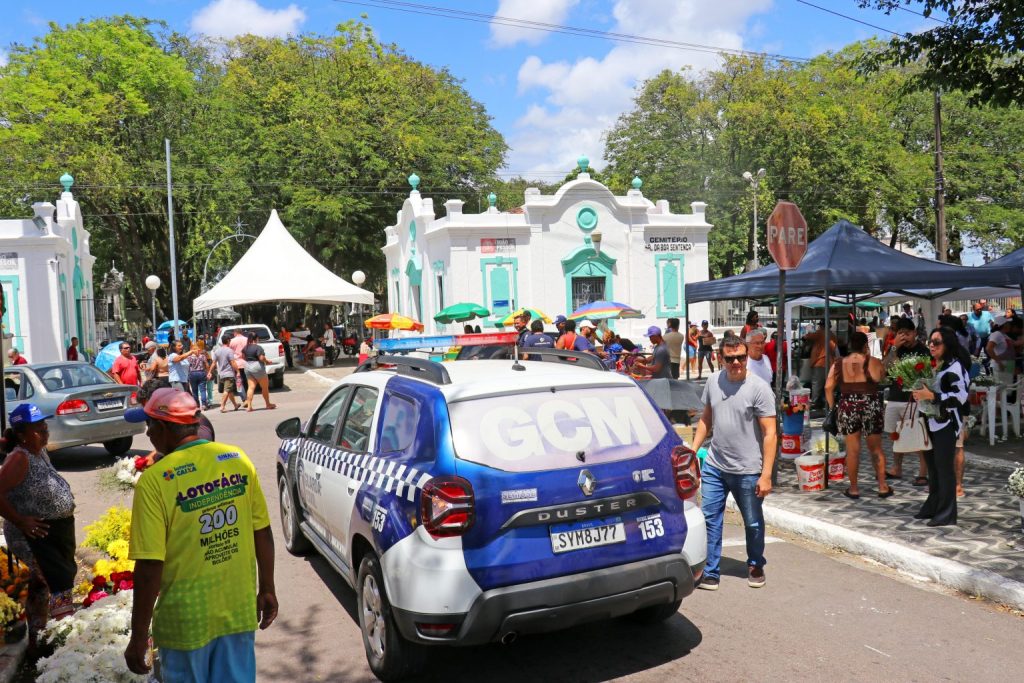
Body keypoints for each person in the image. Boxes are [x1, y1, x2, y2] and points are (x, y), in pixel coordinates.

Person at [123, 389, 277, 680]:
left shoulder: (155, 480)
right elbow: (263, 530)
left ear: (165, 428)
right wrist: (267, 587)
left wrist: (139, 635)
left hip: (185, 622)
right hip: (238, 610)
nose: (148, 433)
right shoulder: (237, 459)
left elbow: (149, 567)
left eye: (150, 426)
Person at [691, 336, 777, 591]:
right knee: (710, 518)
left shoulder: (759, 388)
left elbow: (770, 433)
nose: (736, 362)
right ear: (721, 357)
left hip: (748, 469)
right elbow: (707, 418)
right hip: (715, 465)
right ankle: (710, 571)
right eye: (730, 358)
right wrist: (692, 451)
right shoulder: (713, 381)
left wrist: (767, 475)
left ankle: (755, 563)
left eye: (741, 356)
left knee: (752, 521)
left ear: (746, 355)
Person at [0, 404, 77, 656]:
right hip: (33, 534)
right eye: (37, 428)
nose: (44, 432)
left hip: (53, 532)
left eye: (45, 426)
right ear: (22, 433)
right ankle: (55, 643)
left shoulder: (39, 452)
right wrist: (20, 520)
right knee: (54, 582)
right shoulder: (19, 457)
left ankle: (41, 640)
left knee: (41, 587)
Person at [911, 327, 971, 526]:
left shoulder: (955, 368)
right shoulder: (938, 366)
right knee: (934, 468)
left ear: (948, 345)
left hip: (946, 424)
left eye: (936, 342)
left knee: (944, 469)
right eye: (930, 341)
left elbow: (961, 397)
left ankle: (946, 513)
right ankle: (934, 505)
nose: (931, 345)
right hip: (932, 422)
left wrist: (933, 396)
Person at [826, 331, 893, 499]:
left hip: (848, 405)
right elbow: (881, 378)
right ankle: (883, 486)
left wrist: (833, 406)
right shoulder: (873, 362)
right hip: (870, 405)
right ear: (865, 345)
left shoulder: (838, 363)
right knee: (876, 449)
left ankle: (854, 488)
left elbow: (828, 387)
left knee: (852, 450)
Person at [882, 318, 930, 486]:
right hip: (895, 397)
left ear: (915, 333)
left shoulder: (923, 350)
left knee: (918, 435)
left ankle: (923, 472)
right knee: (895, 434)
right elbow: (885, 369)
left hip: (914, 399)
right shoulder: (896, 349)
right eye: (901, 333)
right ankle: (896, 468)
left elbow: (926, 374)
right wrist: (894, 347)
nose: (904, 337)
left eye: (908, 333)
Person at [805, 324, 837, 410]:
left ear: (821, 326)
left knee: (817, 384)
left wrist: (808, 333)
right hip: (829, 363)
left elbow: (807, 337)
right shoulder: (832, 335)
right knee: (826, 384)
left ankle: (815, 402)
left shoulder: (820, 333)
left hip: (819, 362)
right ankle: (826, 402)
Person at [242, 333, 276, 412]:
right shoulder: (258, 347)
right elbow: (261, 358)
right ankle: (267, 404)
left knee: (251, 387)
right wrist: (267, 361)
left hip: (247, 366)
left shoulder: (245, 347)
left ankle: (249, 406)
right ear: (256, 338)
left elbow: (243, 357)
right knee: (264, 387)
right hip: (257, 366)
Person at [986, 316, 1021, 386]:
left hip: (1008, 364)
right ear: (1003, 325)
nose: (1009, 325)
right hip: (1001, 365)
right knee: (1002, 389)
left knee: (1008, 389)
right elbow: (989, 348)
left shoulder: (1004, 335)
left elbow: (1016, 343)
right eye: (1007, 323)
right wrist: (998, 362)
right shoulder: (997, 334)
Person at [213, 334, 242, 413]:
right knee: (227, 390)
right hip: (229, 374)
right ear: (228, 341)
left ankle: (235, 405)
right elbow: (232, 362)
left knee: (230, 391)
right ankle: (222, 406)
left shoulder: (217, 351)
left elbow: (213, 363)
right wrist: (238, 371)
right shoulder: (229, 350)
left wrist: (209, 372)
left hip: (221, 374)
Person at [186, 340, 213, 410]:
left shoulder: (189, 357)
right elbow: (207, 365)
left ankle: (197, 405)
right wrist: (208, 372)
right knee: (203, 390)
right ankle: (204, 404)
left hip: (192, 374)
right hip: (201, 373)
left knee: (194, 390)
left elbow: (186, 367)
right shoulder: (202, 356)